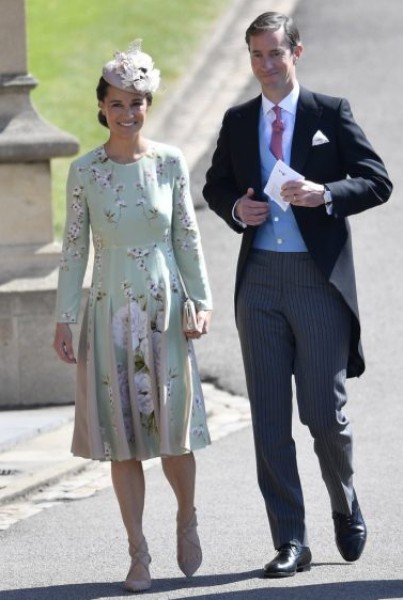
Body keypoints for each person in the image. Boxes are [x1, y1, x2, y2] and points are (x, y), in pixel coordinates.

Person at [203, 11, 392, 578]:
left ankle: (345, 499)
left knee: (323, 414)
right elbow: (214, 184)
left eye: (275, 54)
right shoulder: (239, 119)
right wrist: (236, 208)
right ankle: (290, 539)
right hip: (259, 281)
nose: (266, 65)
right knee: (269, 419)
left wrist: (324, 193)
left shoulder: (329, 113)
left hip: (317, 281)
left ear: (296, 53)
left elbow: (377, 180)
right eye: (256, 55)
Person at [53, 40, 213, 593]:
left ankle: (186, 517)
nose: (127, 113)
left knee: (174, 434)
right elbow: (74, 248)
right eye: (117, 103)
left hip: (165, 310)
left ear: (148, 104)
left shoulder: (169, 162)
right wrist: (64, 317)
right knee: (122, 438)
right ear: (101, 107)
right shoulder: (84, 171)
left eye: (136, 103)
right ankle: (138, 553)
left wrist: (201, 301)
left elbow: (186, 236)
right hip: (109, 313)